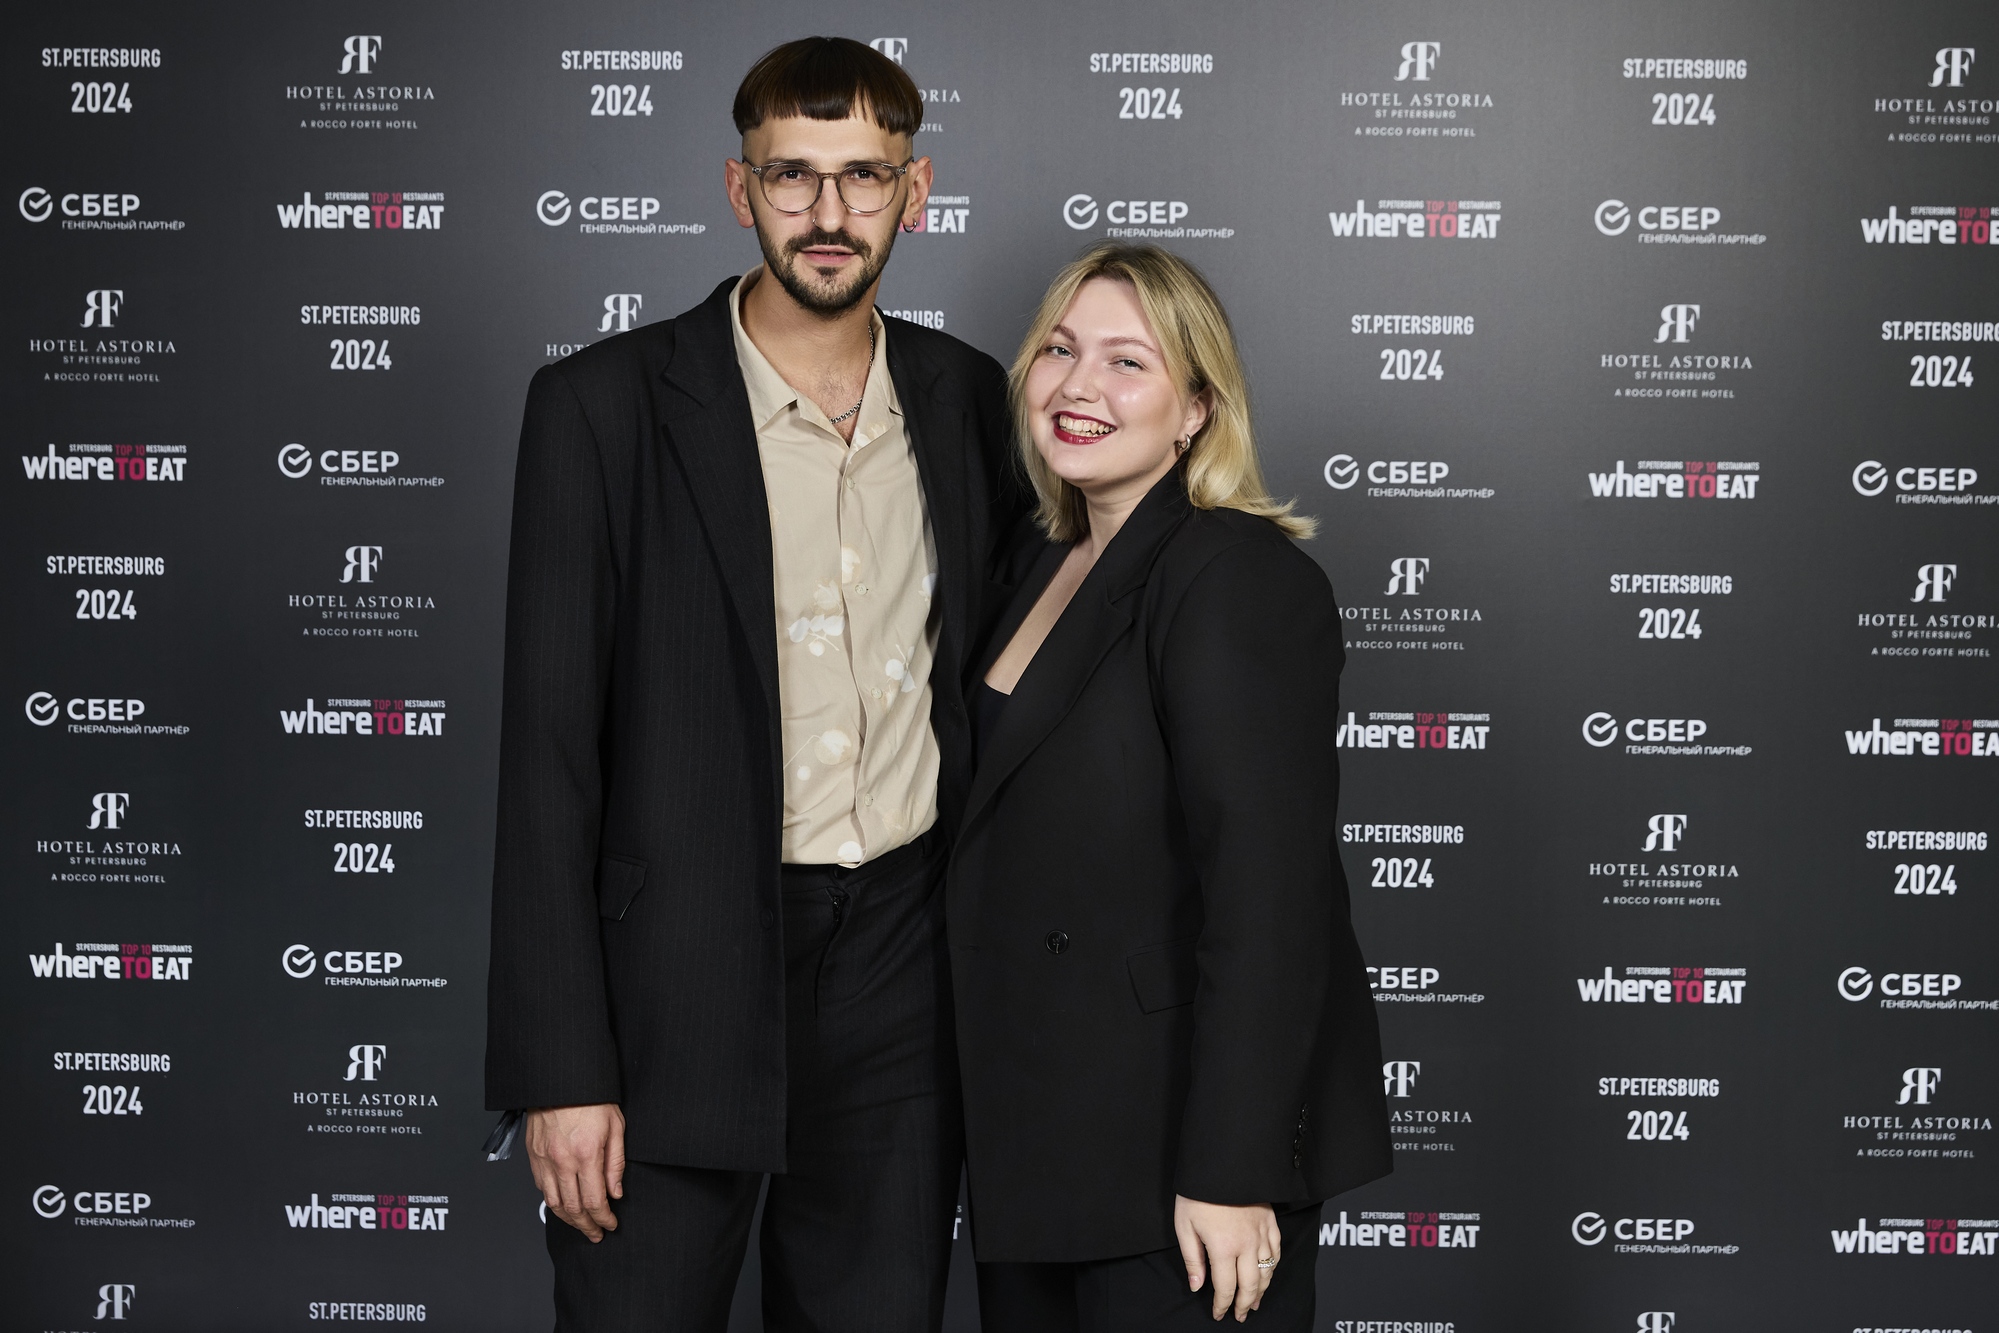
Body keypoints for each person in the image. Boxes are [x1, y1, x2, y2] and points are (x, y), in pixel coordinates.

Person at [484, 37, 1023, 1333]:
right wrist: (561, 1069)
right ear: (740, 191)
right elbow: (547, 757)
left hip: (900, 971)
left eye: (863, 176)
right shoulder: (600, 408)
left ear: (914, 192)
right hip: (671, 985)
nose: (828, 213)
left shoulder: (968, 399)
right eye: (792, 176)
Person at [951, 244, 1391, 1330]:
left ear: (1197, 409)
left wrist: (1233, 1168)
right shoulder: (1033, 562)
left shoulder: (1235, 574)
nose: (1078, 386)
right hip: (1040, 1140)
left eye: (1126, 362)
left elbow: (1270, 900)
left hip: (1176, 1156)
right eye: (1059, 350)